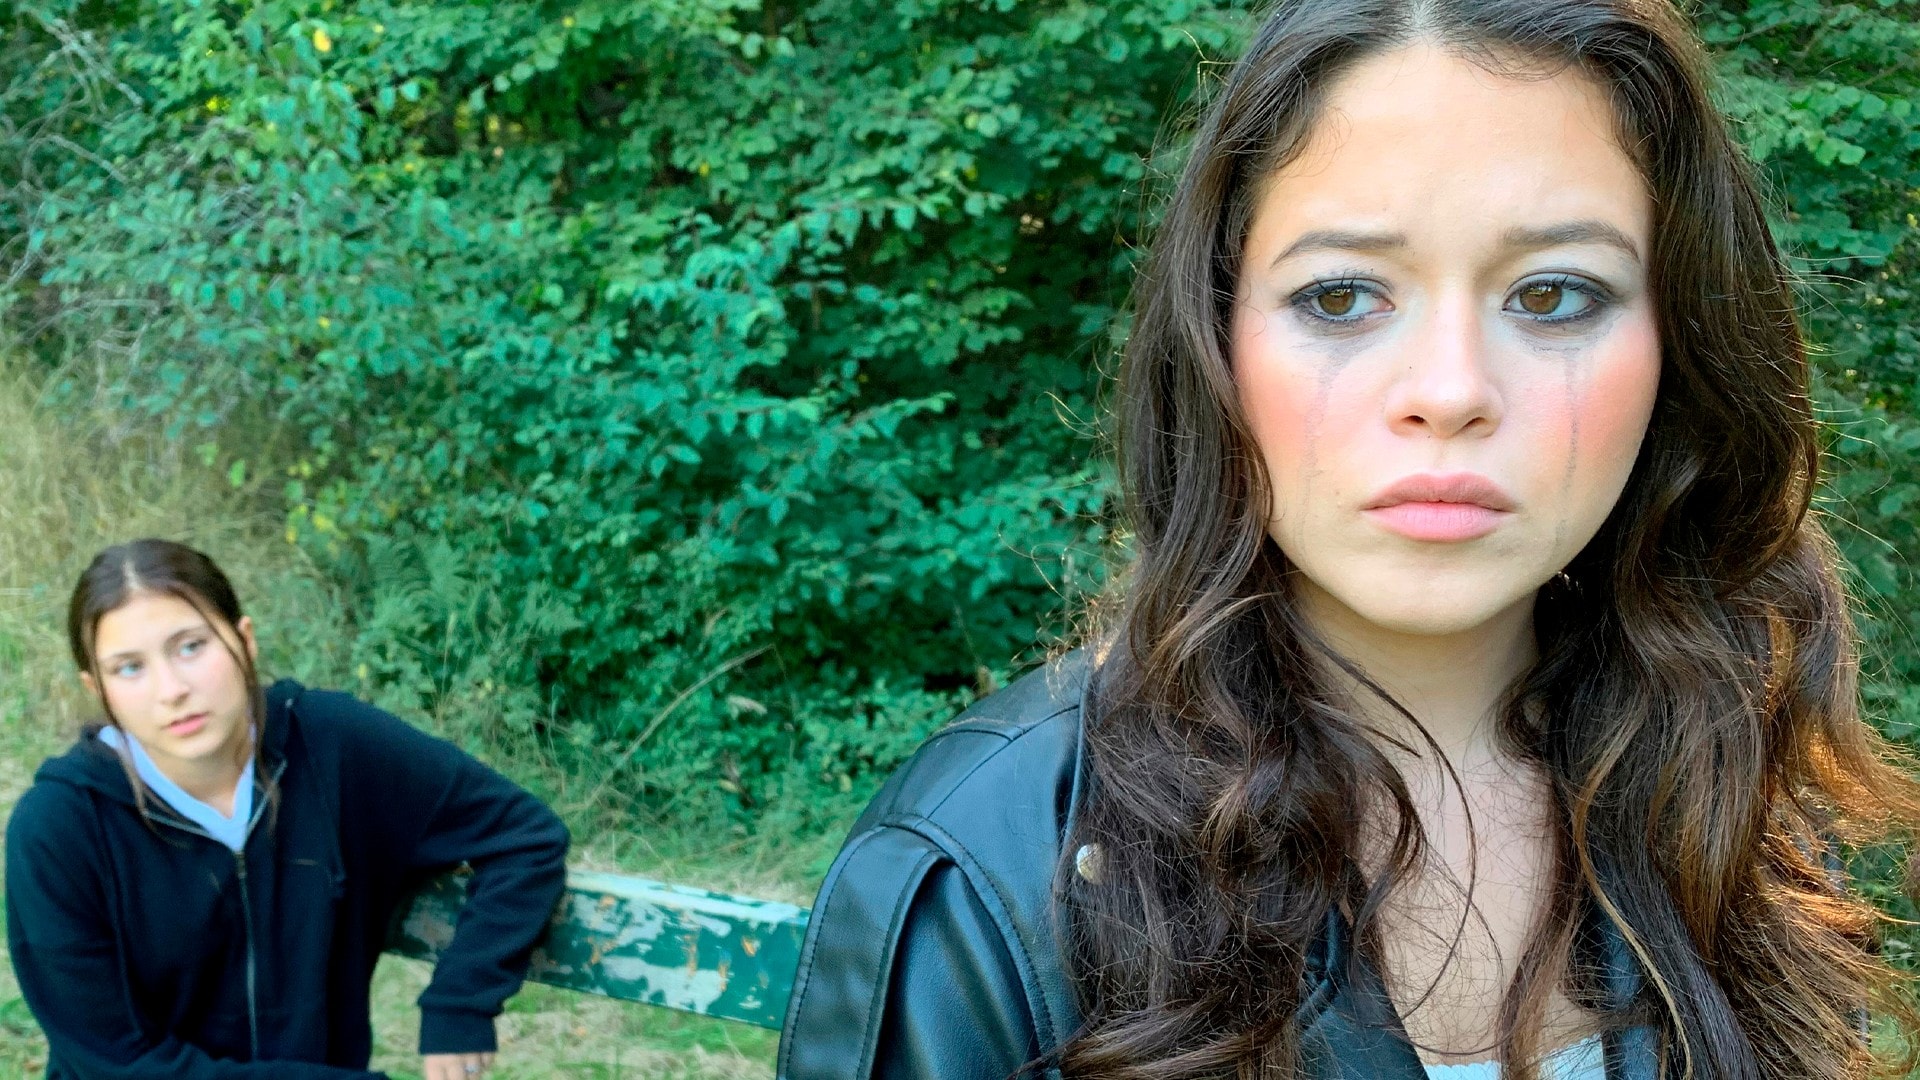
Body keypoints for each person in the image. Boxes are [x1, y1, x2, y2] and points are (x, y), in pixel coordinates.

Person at [777, 1, 1920, 1078]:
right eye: (1340, 297)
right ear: (1217, 338)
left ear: (1683, 341)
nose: (1450, 390)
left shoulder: (1730, 795)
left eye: (1554, 295)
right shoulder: (976, 875)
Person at [5, 538, 571, 1079]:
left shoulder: (332, 748)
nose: (171, 689)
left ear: (244, 641)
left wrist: (460, 1001)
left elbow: (524, 836)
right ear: (97, 688)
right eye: (130, 667)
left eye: (191, 646)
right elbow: (113, 1065)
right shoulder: (59, 829)